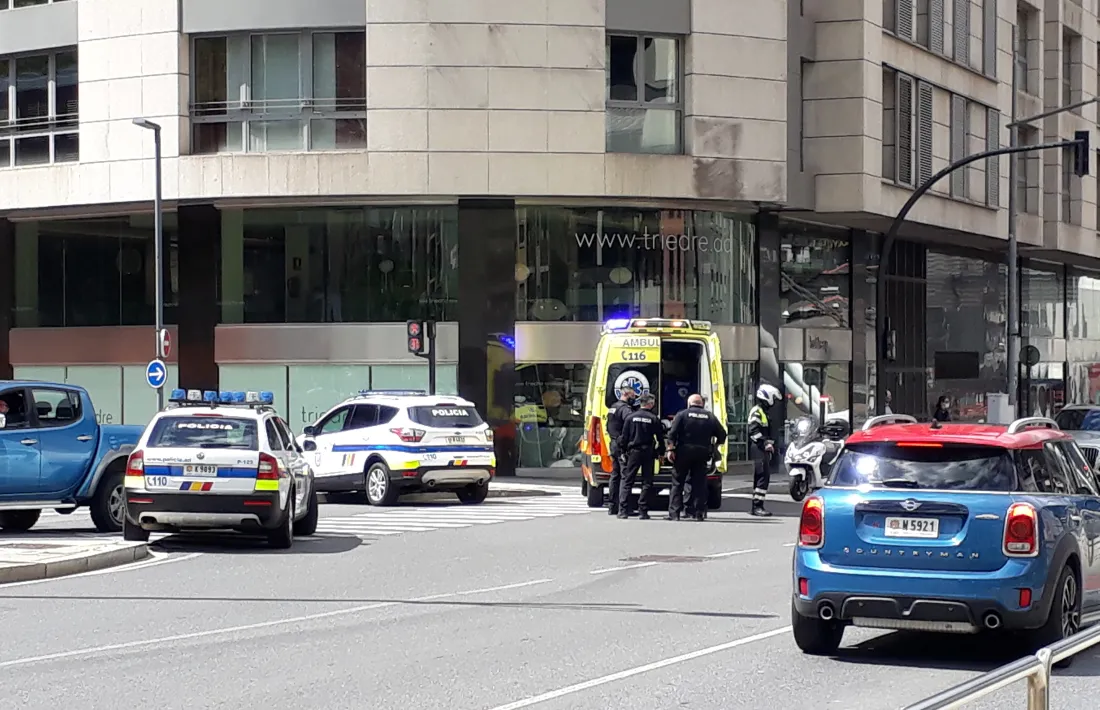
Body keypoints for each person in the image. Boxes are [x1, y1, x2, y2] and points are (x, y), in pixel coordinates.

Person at [667, 393, 727, 521]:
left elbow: (672, 434)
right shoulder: (710, 417)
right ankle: (699, 513)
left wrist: (670, 449)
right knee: (700, 484)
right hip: (702, 453)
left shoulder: (682, 414)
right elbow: (722, 434)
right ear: (702, 404)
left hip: (683, 452)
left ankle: (675, 513)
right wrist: (715, 446)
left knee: (678, 483)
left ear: (689, 403)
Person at [616, 393, 664, 520]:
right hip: (648, 452)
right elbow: (660, 438)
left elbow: (624, 438)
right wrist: (661, 452)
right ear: (650, 404)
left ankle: (623, 510)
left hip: (633, 452)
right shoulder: (654, 418)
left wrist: (622, 451)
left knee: (627, 481)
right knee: (647, 482)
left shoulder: (630, 417)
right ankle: (643, 511)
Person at [748, 383, 782, 517]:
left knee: (762, 477)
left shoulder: (762, 411)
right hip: (759, 448)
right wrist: (765, 443)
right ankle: (757, 507)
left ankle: (756, 506)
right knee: (762, 477)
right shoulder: (757, 411)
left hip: (762, 449)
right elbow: (753, 430)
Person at [605, 387, 637, 516]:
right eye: (633, 396)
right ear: (626, 394)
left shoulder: (613, 407)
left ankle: (612, 506)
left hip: (613, 443)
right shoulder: (625, 409)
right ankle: (624, 508)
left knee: (615, 475)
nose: (634, 399)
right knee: (625, 476)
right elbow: (630, 424)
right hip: (621, 445)